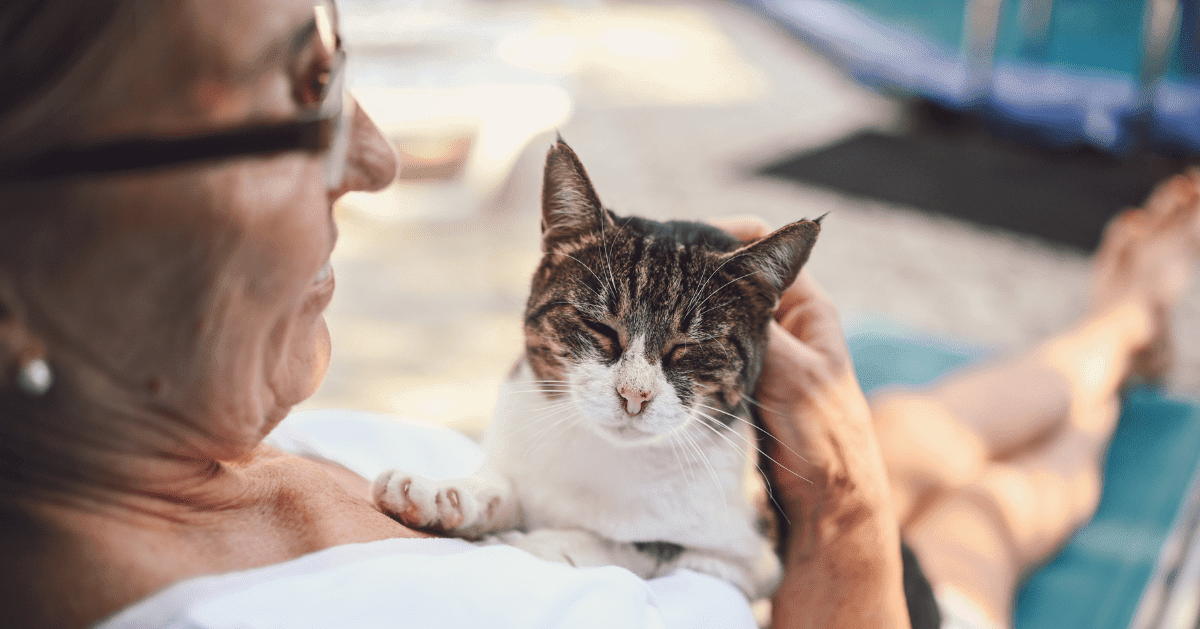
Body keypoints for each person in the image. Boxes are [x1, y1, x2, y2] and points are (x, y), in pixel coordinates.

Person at [0, 1, 1196, 628]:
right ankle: (1120, 350)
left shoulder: (190, 443)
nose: (374, 156)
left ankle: (1102, 331)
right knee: (990, 516)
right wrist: (841, 499)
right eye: (298, 93)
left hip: (723, 520)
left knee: (924, 429)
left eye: (343, 63)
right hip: (876, 595)